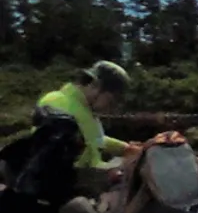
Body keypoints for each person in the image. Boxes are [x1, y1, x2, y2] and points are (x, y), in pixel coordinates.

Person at [33, 60, 133, 198]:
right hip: (57, 192)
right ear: (96, 86)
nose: (111, 107)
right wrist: (107, 174)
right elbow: (64, 162)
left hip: (79, 183)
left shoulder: (84, 108)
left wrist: (125, 148)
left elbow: (93, 140)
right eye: (111, 101)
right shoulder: (57, 104)